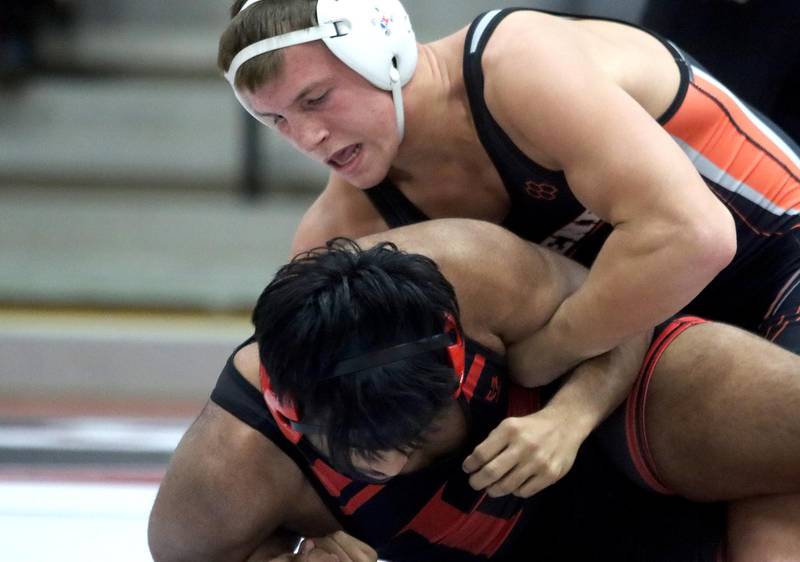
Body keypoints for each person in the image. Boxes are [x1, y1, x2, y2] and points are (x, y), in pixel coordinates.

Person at [216, 0, 800, 553]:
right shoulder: (344, 226)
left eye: (316, 98)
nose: (306, 137)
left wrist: (546, 357)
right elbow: (302, 404)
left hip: (777, 260)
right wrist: (330, 531)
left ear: (382, 48)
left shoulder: (516, 64)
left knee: (772, 492)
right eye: (277, 120)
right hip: (639, 332)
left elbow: (696, 238)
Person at [149, 219, 800, 561]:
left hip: (623, 426)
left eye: (420, 427)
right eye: (362, 450)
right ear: (287, 410)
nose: (398, 462)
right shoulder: (228, 472)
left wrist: (570, 416)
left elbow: (632, 310)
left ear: (453, 353)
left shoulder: (473, 267)